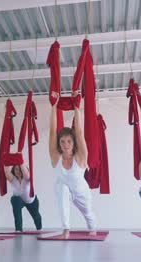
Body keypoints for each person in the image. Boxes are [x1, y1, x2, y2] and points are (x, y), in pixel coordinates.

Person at [48, 91, 97, 239]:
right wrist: (54, 107)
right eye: (62, 141)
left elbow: (80, 132)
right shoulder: (55, 156)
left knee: (88, 214)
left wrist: (77, 107)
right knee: (61, 187)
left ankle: (92, 227)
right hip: (65, 189)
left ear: (73, 142)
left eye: (69, 141)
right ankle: (66, 230)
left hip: (81, 190)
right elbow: (52, 132)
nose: (65, 144)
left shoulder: (81, 157)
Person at [4, 163, 42, 232]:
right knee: (15, 199)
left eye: (20, 169)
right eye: (16, 169)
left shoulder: (27, 178)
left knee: (36, 216)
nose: (18, 171)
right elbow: (6, 171)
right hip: (19, 201)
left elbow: (26, 173)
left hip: (31, 201)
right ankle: (18, 229)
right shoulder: (13, 179)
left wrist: (20, 159)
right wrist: (7, 160)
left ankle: (39, 228)